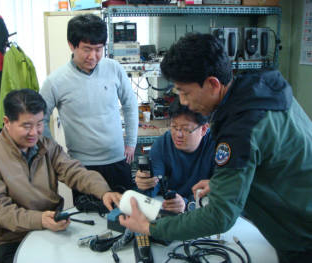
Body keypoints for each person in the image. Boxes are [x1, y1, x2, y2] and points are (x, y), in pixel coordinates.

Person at [119, 33, 312, 263]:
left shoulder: (241, 129)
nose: (184, 101)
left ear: (212, 84)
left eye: (185, 92)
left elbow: (219, 216)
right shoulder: (262, 92)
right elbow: (276, 161)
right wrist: (222, 184)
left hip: (303, 238)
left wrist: (152, 227)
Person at [0, 89, 121, 263]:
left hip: (51, 227)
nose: (34, 133)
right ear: (7, 122)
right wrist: (40, 220)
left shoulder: (47, 146)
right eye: (26, 126)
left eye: (39, 124)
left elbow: (74, 171)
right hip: (8, 240)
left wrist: (104, 192)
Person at [40, 14, 138, 200]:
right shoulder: (55, 82)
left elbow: (130, 104)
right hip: (82, 167)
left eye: (98, 49)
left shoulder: (114, 68)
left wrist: (131, 142)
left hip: (119, 160)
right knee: (90, 218)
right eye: (87, 49)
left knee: (126, 216)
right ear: (71, 45)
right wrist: (54, 154)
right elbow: (40, 119)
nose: (93, 56)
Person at [135, 97, 215, 213]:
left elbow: (223, 192)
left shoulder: (217, 147)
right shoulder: (162, 145)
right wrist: (145, 184)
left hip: (206, 211)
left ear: (203, 129)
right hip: (173, 208)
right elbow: (154, 185)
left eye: (185, 129)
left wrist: (189, 204)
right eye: (174, 127)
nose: (178, 134)